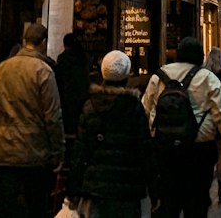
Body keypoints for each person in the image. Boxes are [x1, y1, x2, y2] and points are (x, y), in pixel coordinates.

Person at [0, 22, 65, 218]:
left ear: (24, 41)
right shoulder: (43, 71)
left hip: (4, 149)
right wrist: (58, 151)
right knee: (35, 204)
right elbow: (53, 116)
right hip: (35, 151)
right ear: (43, 42)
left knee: (6, 205)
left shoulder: (1, 68)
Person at [66, 49, 160, 218]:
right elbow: (144, 149)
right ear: (126, 75)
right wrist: (154, 190)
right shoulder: (133, 108)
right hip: (127, 190)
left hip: (95, 187)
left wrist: (73, 189)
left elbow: (80, 151)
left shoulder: (90, 106)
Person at [142, 36, 221, 218]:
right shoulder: (208, 78)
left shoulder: (158, 76)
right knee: (196, 204)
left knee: (166, 204)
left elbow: (145, 109)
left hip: (164, 150)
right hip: (199, 151)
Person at [203, 48, 221, 203]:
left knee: (207, 158)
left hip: (205, 122)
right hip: (219, 120)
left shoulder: (204, 77)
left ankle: (206, 191)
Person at [56, 33, 92, 144]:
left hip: (68, 97)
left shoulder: (62, 58)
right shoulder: (84, 57)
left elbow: (60, 78)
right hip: (83, 95)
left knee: (69, 128)